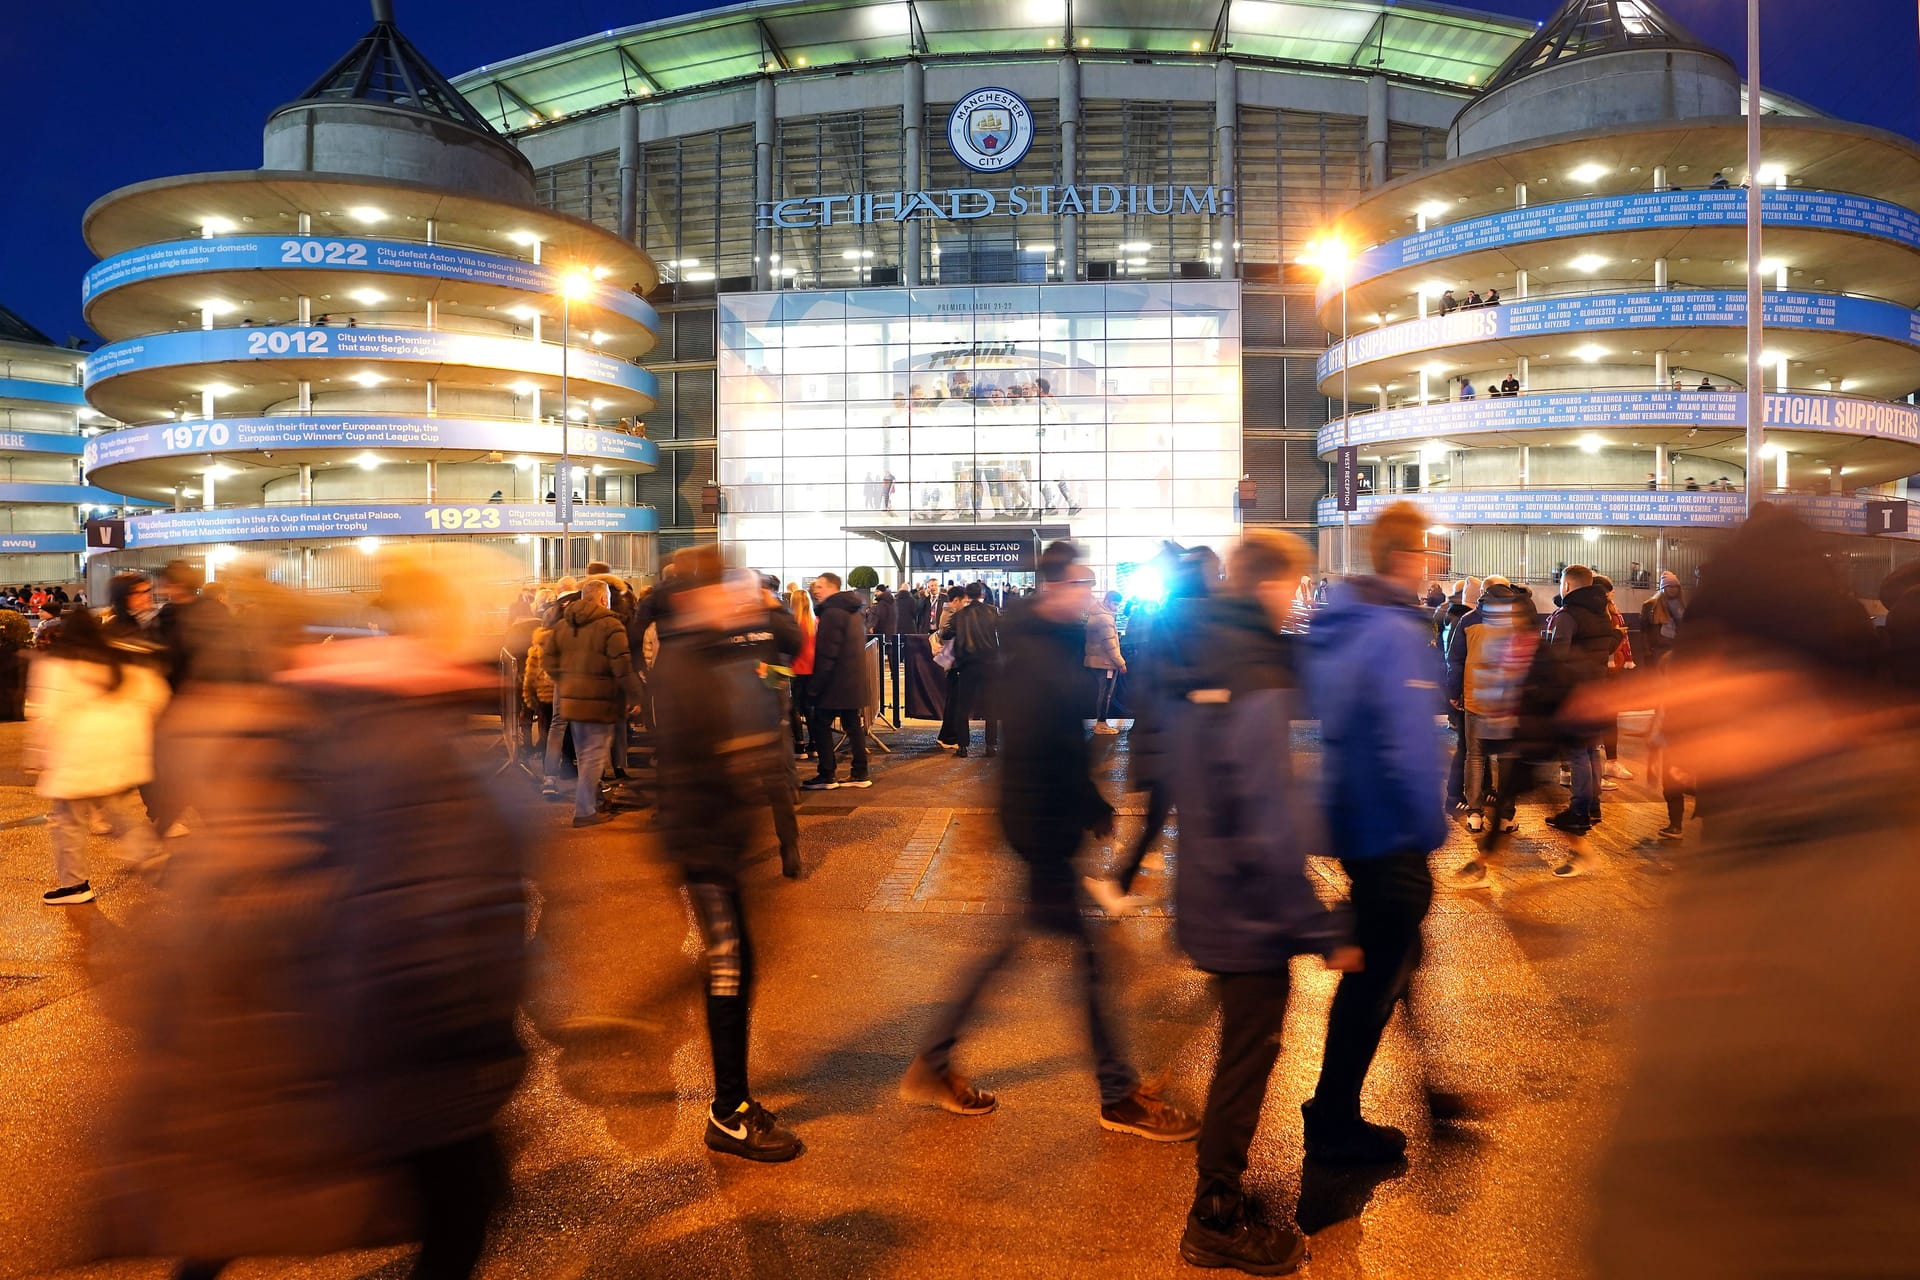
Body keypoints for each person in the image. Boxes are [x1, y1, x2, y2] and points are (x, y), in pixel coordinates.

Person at [101, 554, 530, 1280]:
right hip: (402, 1039)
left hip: (341, 1027)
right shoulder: (404, 735)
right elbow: (416, 907)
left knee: (248, 1192)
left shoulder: (332, 712)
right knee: (459, 1203)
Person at [902, 542, 1200, 1142]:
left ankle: (936, 1062)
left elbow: (1055, 741)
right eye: (1082, 584)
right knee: (1085, 962)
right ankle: (1117, 1095)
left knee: (1024, 949)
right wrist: (1087, 805)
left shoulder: (1046, 642)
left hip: (1038, 820)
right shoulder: (1040, 651)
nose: (1090, 594)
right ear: (1054, 587)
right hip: (1040, 824)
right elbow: (1045, 747)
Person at [1172, 531, 1360, 1275]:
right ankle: (1214, 1216)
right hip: (1247, 908)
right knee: (1245, 1063)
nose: (1298, 598)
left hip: (1214, 892)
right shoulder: (1253, 667)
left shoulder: (1202, 650)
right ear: (1272, 585)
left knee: (1240, 1057)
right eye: (1294, 585)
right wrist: (1318, 925)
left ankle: (1218, 1203)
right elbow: (1264, 815)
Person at [1301, 500, 1449, 1164]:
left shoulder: (1350, 624)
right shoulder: (1392, 634)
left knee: (1394, 961)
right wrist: (1426, 827)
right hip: (1392, 829)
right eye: (1426, 554)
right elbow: (1407, 746)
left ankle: (1428, 1093)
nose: (1430, 566)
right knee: (1376, 973)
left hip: (1361, 819)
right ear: (1405, 558)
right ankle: (1333, 1114)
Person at [653, 550, 803, 1162]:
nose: (738, 598)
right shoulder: (685, 664)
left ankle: (650, 1021)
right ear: (695, 599)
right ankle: (729, 1112)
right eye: (727, 590)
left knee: (737, 963)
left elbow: (786, 657)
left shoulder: (711, 651)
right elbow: (702, 761)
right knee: (730, 968)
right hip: (705, 841)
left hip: (723, 839)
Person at [26, 606, 170, 904]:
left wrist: (37, 755)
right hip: (116, 754)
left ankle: (75, 885)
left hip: (76, 754)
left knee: (67, 819)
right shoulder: (122, 659)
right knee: (112, 805)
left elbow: (47, 713)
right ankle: (150, 854)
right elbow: (157, 697)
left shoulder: (60, 664)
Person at [547, 578, 644, 827]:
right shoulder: (610, 625)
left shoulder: (564, 624)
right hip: (600, 701)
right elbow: (621, 666)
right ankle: (584, 811)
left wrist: (565, 681)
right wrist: (635, 696)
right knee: (594, 757)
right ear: (603, 599)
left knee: (585, 755)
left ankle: (591, 802)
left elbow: (548, 660)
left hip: (572, 701)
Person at [1541, 564, 1624, 848]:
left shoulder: (1567, 616)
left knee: (1578, 753)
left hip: (1575, 694)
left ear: (1567, 586)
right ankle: (1593, 806)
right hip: (1598, 691)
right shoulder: (1602, 613)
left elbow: (1556, 658)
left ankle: (1578, 811)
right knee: (1592, 751)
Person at [803, 572, 871, 790]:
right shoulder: (853, 610)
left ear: (833, 587)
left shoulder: (832, 613)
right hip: (852, 680)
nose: (816, 590)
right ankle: (860, 773)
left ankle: (826, 774)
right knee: (853, 726)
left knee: (820, 724)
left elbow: (827, 653)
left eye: (821, 586)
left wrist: (814, 687)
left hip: (835, 683)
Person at [943, 581, 1001, 758]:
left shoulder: (960, 615)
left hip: (967, 665)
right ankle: (990, 745)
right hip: (990, 665)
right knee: (991, 706)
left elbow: (945, 633)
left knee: (964, 706)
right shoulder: (992, 612)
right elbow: (1003, 630)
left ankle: (963, 746)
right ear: (982, 595)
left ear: (966, 596)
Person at [1084, 588, 1126, 734]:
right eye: (1115, 604)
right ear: (1107, 601)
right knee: (1106, 693)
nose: (1116, 607)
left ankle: (1101, 723)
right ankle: (1101, 724)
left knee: (1102, 693)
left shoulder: (1096, 614)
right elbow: (1110, 644)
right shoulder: (1105, 618)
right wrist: (1121, 662)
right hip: (1106, 661)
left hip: (1097, 660)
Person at [786, 584, 817, 758]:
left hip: (796, 668)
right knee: (810, 707)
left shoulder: (794, 624)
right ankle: (814, 743)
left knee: (794, 707)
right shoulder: (815, 623)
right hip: (812, 669)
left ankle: (799, 743)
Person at [1639, 570, 1687, 667]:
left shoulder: (1681, 606)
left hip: (1676, 648)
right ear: (1663, 587)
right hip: (1658, 650)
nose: (1673, 589)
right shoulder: (1651, 605)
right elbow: (1644, 630)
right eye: (1669, 586)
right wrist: (1647, 652)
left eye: (1675, 586)